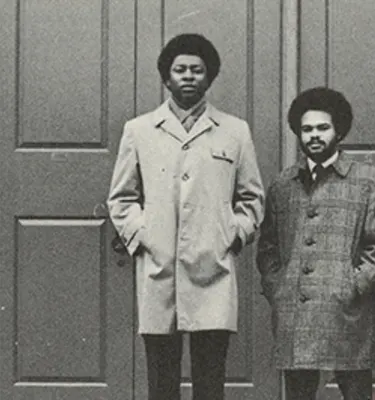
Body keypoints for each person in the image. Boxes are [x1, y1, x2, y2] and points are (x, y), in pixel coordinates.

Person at [107, 33, 264, 400]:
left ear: (209, 78)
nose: (189, 76)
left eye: (197, 70)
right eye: (180, 70)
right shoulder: (139, 130)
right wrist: (142, 234)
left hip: (213, 268)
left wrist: (232, 235)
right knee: (162, 382)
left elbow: (252, 198)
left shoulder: (235, 131)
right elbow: (121, 197)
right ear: (166, 78)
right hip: (160, 268)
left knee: (211, 379)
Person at [257, 87, 375, 400]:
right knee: (298, 393)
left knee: (356, 392)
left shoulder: (367, 180)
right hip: (296, 310)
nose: (314, 136)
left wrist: (353, 284)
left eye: (323, 127)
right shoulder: (283, 184)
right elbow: (267, 248)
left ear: (339, 131)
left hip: (347, 311)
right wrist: (277, 286)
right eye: (307, 129)